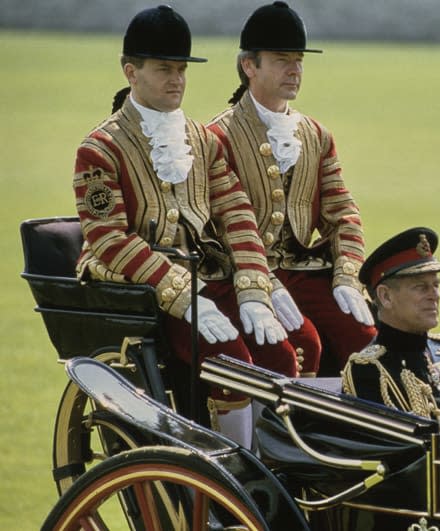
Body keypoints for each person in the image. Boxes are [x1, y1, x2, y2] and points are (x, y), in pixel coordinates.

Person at [72, 5, 297, 446]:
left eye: (181, 69)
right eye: (163, 69)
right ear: (130, 72)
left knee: (282, 354)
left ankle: (279, 467)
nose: (176, 79)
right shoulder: (99, 149)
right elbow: (109, 240)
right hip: (144, 290)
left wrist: (253, 291)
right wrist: (184, 297)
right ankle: (231, 476)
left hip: (209, 278)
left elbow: (237, 216)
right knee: (230, 366)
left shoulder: (204, 140)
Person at [208, 1, 376, 376]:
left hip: (303, 270)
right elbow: (217, 229)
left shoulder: (317, 135)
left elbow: (343, 213)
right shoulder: (217, 138)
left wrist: (347, 275)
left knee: (367, 338)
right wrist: (261, 282)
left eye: (299, 60)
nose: (295, 70)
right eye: (282, 60)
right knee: (303, 344)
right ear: (249, 66)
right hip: (241, 274)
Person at [341, 227, 440, 437]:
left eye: (436, 285)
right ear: (385, 297)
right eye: (421, 287)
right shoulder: (368, 370)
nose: (434, 296)